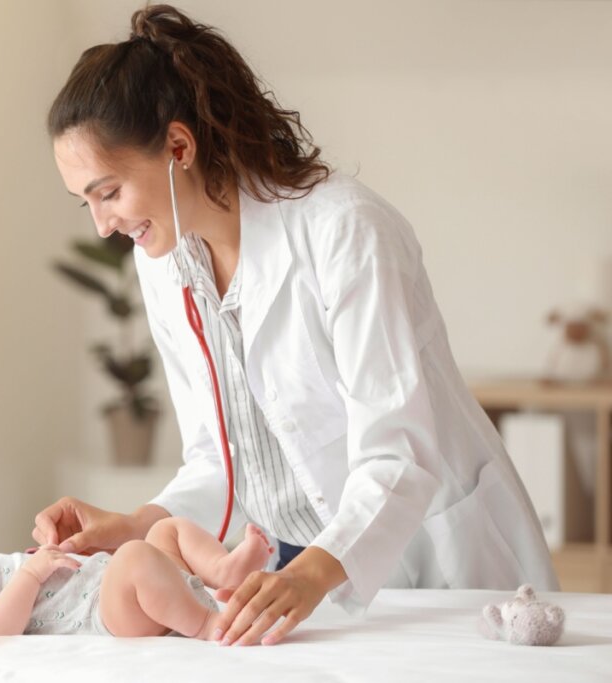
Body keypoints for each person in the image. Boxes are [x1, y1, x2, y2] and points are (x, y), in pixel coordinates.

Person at [35, 3, 558, 648]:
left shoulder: (345, 230)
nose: (101, 226)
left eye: (108, 192)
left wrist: (310, 575)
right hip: (309, 580)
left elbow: (396, 453)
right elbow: (220, 455)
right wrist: (137, 524)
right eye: (85, 201)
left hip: (444, 566)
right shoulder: (166, 262)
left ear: (179, 147)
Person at [0, 517, 273, 640]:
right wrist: (33, 572)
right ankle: (205, 624)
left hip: (109, 588)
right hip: (106, 613)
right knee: (138, 555)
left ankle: (222, 569)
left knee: (165, 531)